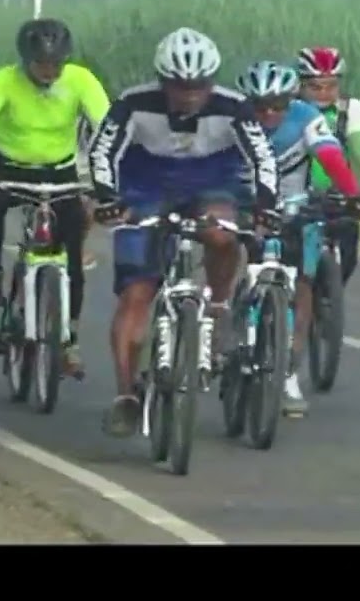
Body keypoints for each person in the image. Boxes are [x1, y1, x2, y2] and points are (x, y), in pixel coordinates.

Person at [87, 27, 281, 437]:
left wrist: (265, 204)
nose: (191, 95)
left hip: (211, 184)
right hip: (145, 187)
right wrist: (107, 197)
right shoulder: (133, 104)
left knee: (222, 232)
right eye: (180, 86)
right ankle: (126, 395)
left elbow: (262, 158)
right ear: (162, 80)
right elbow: (103, 151)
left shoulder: (233, 107)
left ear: (212, 80)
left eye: (200, 85)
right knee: (136, 293)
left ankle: (218, 307)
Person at [0, 18, 112, 377]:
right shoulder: (5, 80)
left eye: (56, 64)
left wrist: (111, 178)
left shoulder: (81, 80)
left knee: (71, 255)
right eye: (41, 64)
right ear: (25, 60)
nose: (49, 72)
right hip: (8, 163)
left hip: (59, 168)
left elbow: (108, 126)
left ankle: (69, 340)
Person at [234, 60, 360, 416]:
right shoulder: (233, 118)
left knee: (302, 284)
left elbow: (331, 156)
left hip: (295, 206)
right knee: (232, 256)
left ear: (291, 100)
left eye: (277, 105)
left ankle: (289, 371)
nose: (269, 113)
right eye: (260, 106)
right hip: (247, 204)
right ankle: (228, 331)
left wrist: (352, 194)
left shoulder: (306, 117)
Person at [296, 46, 360, 286]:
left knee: (349, 240)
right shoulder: (290, 109)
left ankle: (332, 296)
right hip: (296, 193)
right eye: (315, 87)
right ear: (301, 85)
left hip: (335, 193)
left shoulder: (352, 109)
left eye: (331, 86)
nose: (323, 93)